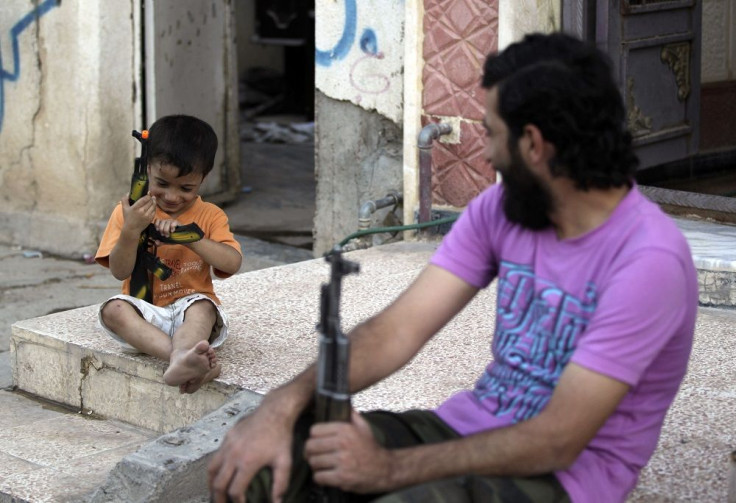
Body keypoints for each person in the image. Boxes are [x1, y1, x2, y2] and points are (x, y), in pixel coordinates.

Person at [208, 32, 698, 503]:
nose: (485, 153)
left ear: (533, 144)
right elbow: (396, 331)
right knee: (259, 471)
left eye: (492, 134)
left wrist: (387, 470)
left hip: (566, 478)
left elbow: (557, 440)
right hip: (464, 430)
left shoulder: (648, 262)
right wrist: (282, 406)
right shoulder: (504, 208)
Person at [95, 114, 243, 394]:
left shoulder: (210, 215)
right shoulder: (129, 211)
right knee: (113, 309)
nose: (172, 197)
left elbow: (232, 263)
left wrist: (191, 238)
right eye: (161, 184)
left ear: (203, 178)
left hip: (191, 309)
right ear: (147, 169)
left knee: (204, 307)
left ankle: (187, 355)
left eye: (186, 188)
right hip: (145, 314)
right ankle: (183, 359)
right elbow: (120, 271)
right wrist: (131, 229)